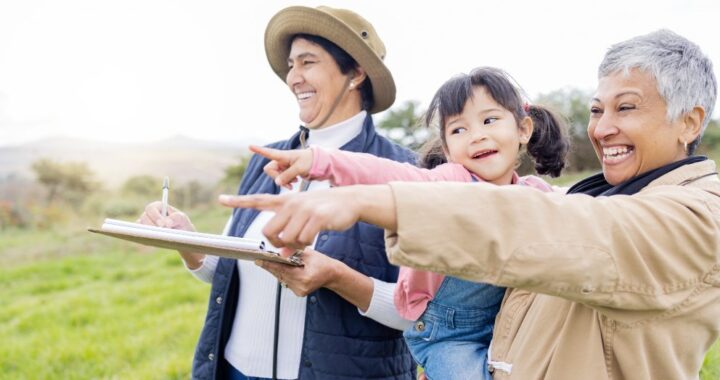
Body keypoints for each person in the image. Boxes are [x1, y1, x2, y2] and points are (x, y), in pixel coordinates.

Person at [220, 29, 720, 379]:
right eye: (596, 109)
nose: (602, 126)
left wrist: (373, 202)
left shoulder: (696, 213)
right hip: (450, 338)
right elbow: (403, 177)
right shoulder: (603, 192)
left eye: (625, 107)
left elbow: (557, 227)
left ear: (691, 121)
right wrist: (328, 166)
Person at [138, 6, 416, 380]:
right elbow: (233, 271)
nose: (293, 78)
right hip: (236, 371)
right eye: (291, 65)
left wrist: (337, 278)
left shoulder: (408, 173)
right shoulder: (265, 160)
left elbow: (418, 313)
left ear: (356, 73)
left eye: (308, 62)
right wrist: (189, 243)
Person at [248, 66, 570, 379]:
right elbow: (390, 174)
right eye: (459, 129)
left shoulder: (533, 192)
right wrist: (320, 161)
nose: (477, 136)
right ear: (447, 149)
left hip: (503, 325)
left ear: (523, 129)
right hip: (447, 336)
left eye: (489, 120)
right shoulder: (452, 181)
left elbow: (581, 214)